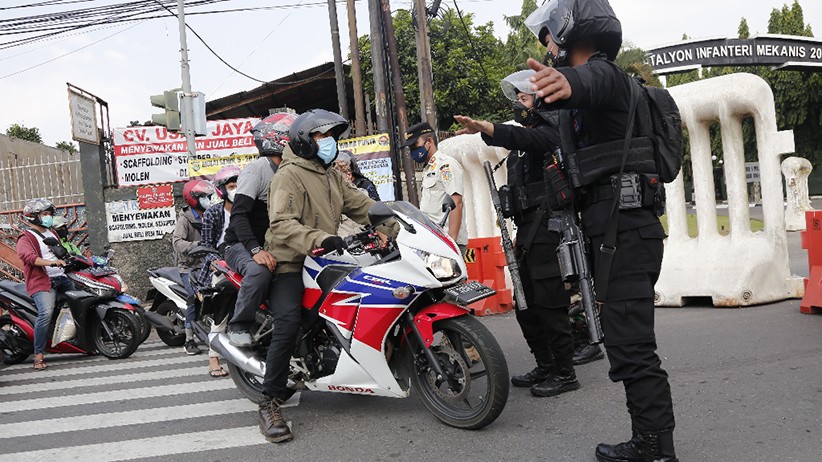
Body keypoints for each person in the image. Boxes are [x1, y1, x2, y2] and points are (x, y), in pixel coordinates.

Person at [524, 1, 677, 460]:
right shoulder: (590, 98)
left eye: (550, 36)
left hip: (625, 231)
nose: (548, 46)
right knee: (626, 342)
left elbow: (594, 79)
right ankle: (651, 440)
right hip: (619, 231)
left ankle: (654, 447)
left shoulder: (606, 76)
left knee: (632, 346)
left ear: (569, 31)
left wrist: (568, 79)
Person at [257, 109, 396, 443]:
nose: (330, 142)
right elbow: (282, 223)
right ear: (305, 140)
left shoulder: (330, 173)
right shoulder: (288, 175)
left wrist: (395, 225)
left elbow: (361, 205)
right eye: (322, 136)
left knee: (370, 293)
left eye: (333, 136)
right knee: (289, 322)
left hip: (324, 257)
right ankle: (270, 401)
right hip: (289, 261)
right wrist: (320, 239)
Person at [453, 69, 585, 397]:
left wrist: (487, 128)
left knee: (550, 303)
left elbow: (523, 137)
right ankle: (545, 363)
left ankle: (565, 372)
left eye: (524, 98)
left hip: (550, 231)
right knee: (524, 304)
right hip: (527, 232)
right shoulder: (523, 149)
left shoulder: (550, 133)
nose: (519, 105)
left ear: (540, 101)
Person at [222, 112, 296, 347]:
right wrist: (255, 250)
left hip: (275, 244)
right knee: (259, 272)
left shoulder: (293, 170)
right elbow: (239, 216)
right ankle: (239, 324)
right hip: (240, 244)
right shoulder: (257, 170)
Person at [16, 198, 74, 371]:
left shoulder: (52, 233)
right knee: (46, 313)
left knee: (84, 299)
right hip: (42, 282)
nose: (48, 217)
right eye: (44, 214)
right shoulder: (25, 238)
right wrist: (51, 264)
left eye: (50, 214)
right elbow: (29, 258)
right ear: (34, 217)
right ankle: (39, 355)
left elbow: (61, 252)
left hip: (62, 277)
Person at [195, 165, 241, 377]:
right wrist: (221, 264)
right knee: (220, 315)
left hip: (245, 264)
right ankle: (213, 358)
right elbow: (206, 246)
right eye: (232, 186)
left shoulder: (248, 210)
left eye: (239, 185)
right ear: (222, 190)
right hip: (220, 266)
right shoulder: (213, 213)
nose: (237, 189)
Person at [402, 122, 467, 252]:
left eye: (415, 145)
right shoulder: (429, 169)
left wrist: (452, 241)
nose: (413, 151)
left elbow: (456, 202)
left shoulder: (445, 165)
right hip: (434, 240)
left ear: (429, 141)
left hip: (447, 241)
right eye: (411, 148)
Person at [172, 179, 215, 356]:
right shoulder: (185, 219)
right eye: (204, 196)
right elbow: (177, 243)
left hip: (209, 264)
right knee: (194, 297)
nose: (208, 200)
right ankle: (189, 339)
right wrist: (198, 245)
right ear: (193, 198)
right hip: (188, 268)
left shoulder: (211, 215)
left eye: (209, 196)